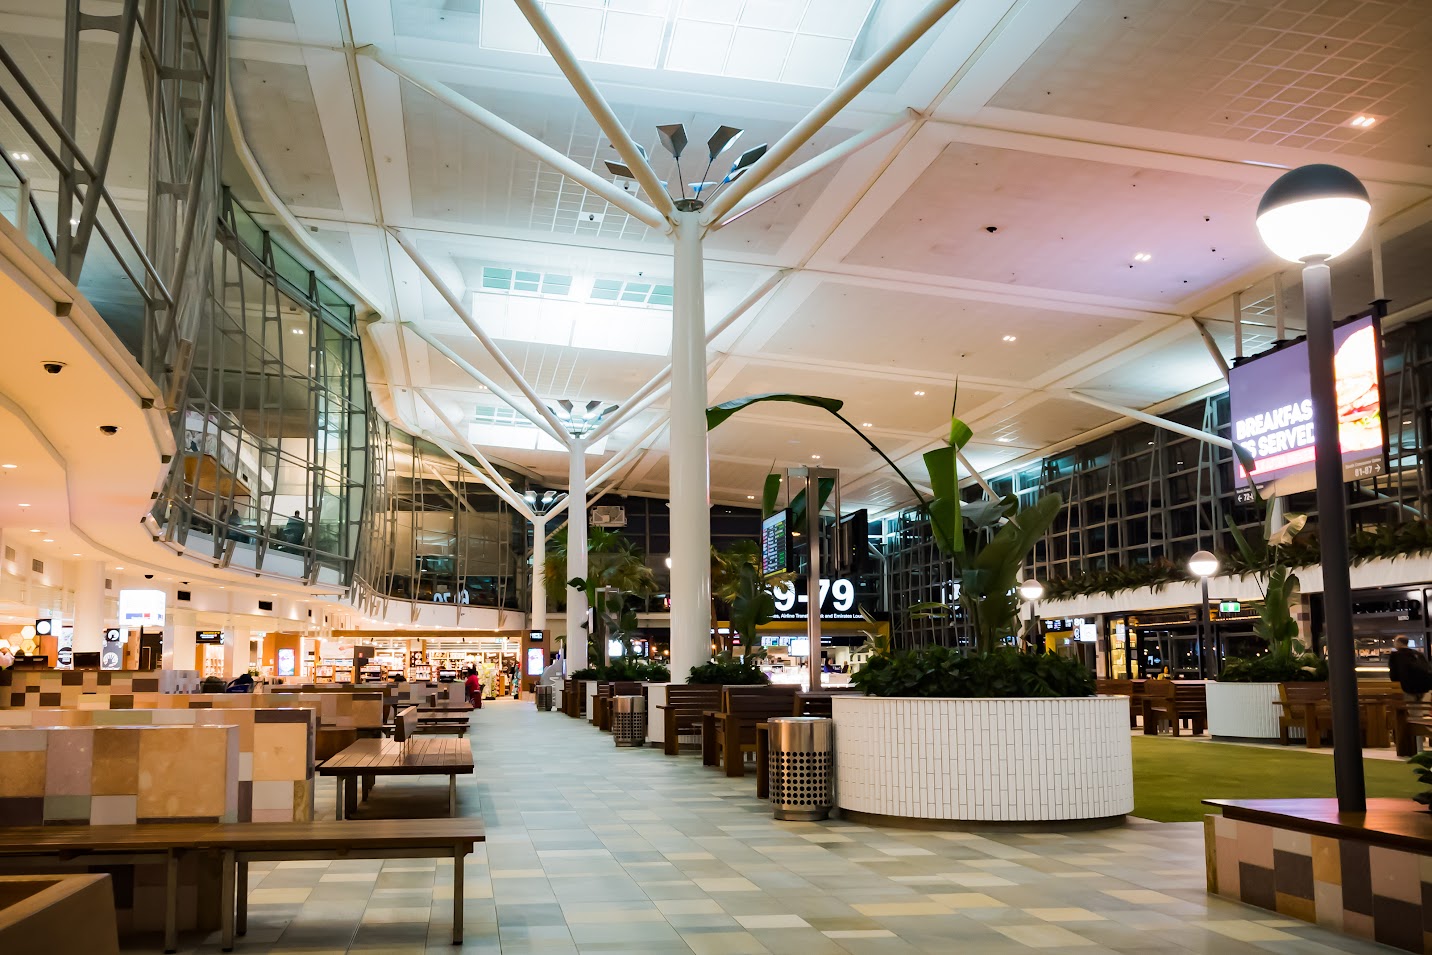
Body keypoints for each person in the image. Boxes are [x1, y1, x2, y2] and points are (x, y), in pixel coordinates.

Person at [1389, 636, 1432, 701]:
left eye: (1394, 642)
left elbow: (1394, 676)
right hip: (1425, 686)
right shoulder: (1418, 654)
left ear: (1399, 643)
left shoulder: (1395, 656)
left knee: (1411, 704)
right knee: (1422, 705)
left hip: (1409, 688)